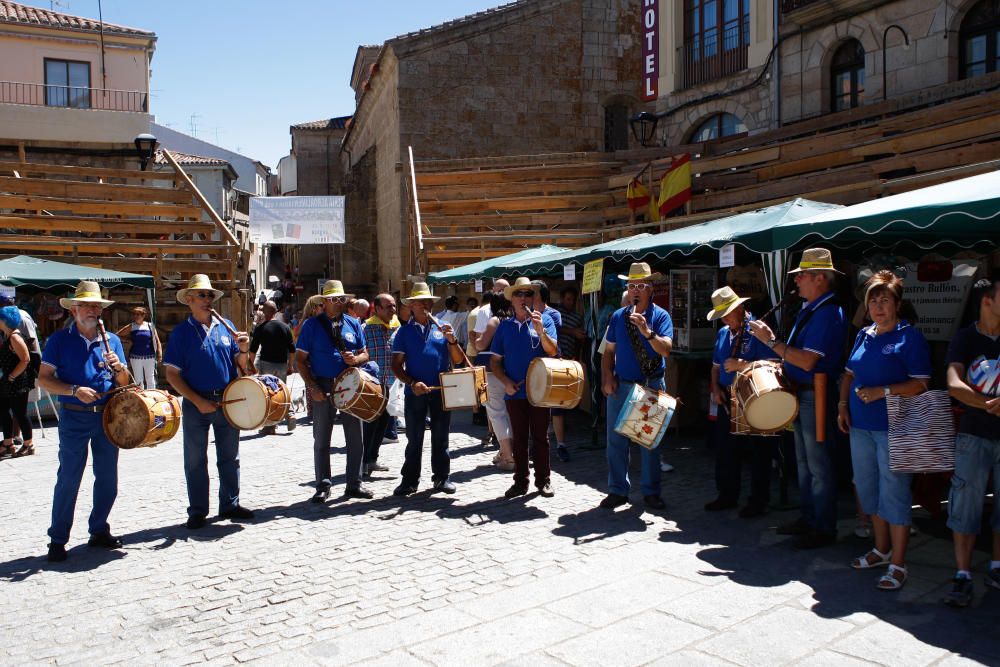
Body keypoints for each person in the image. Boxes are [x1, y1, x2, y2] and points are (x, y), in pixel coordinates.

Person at [835, 271, 930, 591]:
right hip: (860, 425)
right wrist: (842, 407)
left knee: (895, 494)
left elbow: (921, 384)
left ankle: (900, 564)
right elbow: (849, 374)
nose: (878, 306)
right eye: (872, 300)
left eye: (884, 300)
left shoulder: (909, 337)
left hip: (895, 428)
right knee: (868, 489)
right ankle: (881, 548)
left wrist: (883, 391)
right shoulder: (864, 334)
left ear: (897, 305)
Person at [749, 248, 848, 549]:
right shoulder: (813, 309)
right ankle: (809, 519)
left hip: (815, 395)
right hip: (804, 394)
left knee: (817, 465)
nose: (797, 281)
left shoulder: (827, 312)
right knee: (805, 464)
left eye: (802, 275)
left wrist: (770, 341)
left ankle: (822, 526)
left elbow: (807, 361)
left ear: (820, 278)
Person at [37, 281, 130, 561]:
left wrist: (119, 367)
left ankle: (99, 529)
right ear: (74, 309)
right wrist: (74, 390)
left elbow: (124, 382)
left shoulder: (111, 340)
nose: (93, 310)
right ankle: (58, 539)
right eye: (88, 305)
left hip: (106, 416)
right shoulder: (59, 340)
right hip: (74, 417)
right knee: (69, 478)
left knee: (107, 478)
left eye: (97, 305)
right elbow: (43, 379)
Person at [164, 274, 255, 530]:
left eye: (209, 295)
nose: (207, 300)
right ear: (189, 301)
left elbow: (240, 365)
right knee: (194, 460)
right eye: (202, 295)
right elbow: (172, 374)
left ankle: (230, 504)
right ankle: (197, 511)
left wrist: (245, 350)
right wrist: (196, 400)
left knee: (230, 456)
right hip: (196, 402)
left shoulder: (225, 326)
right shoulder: (182, 333)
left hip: (227, 400)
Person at [942, 277, 1000, 607]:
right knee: (965, 506)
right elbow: (953, 382)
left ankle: (996, 566)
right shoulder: (966, 337)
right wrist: (989, 403)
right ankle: (962, 574)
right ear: (987, 302)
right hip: (973, 436)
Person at [601, 263, 673, 510]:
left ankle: (651, 492)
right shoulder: (618, 317)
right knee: (615, 441)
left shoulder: (661, 316)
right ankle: (618, 490)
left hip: (651, 384)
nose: (635, 290)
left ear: (650, 289)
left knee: (649, 442)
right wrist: (607, 377)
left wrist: (646, 331)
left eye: (641, 286)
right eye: (631, 286)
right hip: (622, 385)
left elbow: (666, 349)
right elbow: (608, 352)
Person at [705, 286, 780, 518]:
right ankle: (727, 495)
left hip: (755, 396)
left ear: (740, 308)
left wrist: (742, 366)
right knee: (726, 450)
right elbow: (716, 367)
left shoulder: (758, 330)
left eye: (728, 313)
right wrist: (715, 388)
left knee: (759, 452)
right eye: (722, 315)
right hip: (728, 397)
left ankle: (758, 501)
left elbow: (775, 366)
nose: (726, 319)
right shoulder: (723, 334)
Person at [296, 280, 372, 503]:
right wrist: (312, 387)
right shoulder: (311, 325)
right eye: (334, 299)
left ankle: (354, 484)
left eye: (342, 299)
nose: (339, 303)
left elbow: (365, 353)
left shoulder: (353, 323)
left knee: (355, 438)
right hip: (323, 384)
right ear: (324, 301)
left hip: (349, 384)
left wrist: (356, 359)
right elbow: (300, 361)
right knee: (321, 439)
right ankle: (323, 485)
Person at [391, 283, 464, 496]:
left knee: (441, 437)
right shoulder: (403, 332)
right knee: (414, 438)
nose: (425, 305)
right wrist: (412, 383)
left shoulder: (442, 326)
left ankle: (442, 478)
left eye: (428, 302)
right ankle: (409, 480)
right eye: (420, 302)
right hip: (415, 392)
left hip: (441, 390)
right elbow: (396, 365)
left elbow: (458, 360)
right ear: (411, 306)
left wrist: (452, 340)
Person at [491, 277, 559, 498]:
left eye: (528, 294)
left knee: (541, 437)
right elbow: (495, 362)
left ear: (533, 298)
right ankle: (520, 481)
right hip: (515, 392)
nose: (523, 298)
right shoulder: (504, 327)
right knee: (519, 438)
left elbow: (552, 350)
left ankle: (544, 481)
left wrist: (541, 331)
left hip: (540, 391)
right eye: (518, 294)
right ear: (511, 300)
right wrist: (505, 382)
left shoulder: (545, 320)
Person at [476, 287, 515, 470]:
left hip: (491, 371)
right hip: (510, 370)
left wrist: (475, 340)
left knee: (496, 412)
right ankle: (505, 451)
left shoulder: (494, 321)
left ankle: (508, 456)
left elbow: (481, 344)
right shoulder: (514, 320)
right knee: (508, 413)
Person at [249, 300, 296, 435]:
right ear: (275, 311)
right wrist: (290, 366)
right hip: (281, 365)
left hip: (266, 365)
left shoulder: (261, 328)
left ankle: (270, 426)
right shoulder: (285, 327)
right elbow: (292, 350)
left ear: (264, 312)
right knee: (282, 391)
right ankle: (290, 414)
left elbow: (253, 350)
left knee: (268, 394)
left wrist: (249, 367)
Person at [363, 293, 398, 477]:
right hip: (371, 388)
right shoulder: (366, 329)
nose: (393, 310)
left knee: (383, 425)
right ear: (377, 309)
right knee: (369, 426)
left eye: (394, 306)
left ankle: (372, 460)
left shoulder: (397, 328)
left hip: (391, 387)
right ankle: (362, 462)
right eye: (388, 306)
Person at [553, 285, 586, 462]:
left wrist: (577, 355)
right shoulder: (555, 313)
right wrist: (571, 331)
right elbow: (555, 330)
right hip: (554, 360)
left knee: (562, 399)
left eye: (573, 300)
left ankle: (561, 438)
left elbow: (579, 339)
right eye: (567, 299)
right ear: (561, 299)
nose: (570, 302)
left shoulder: (577, 317)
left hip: (568, 358)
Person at [0, 306, 35, 459]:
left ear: (4, 321)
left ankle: (28, 444)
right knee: (3, 410)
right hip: (9, 381)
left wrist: (12, 376)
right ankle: (8, 443)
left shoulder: (15, 337)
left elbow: (25, 359)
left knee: (20, 413)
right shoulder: (7, 335)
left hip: (18, 382)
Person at [115, 306, 161, 390]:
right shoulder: (131, 326)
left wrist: (159, 353)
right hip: (135, 356)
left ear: (143, 315)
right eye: (134, 314)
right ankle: (141, 397)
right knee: (138, 379)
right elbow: (117, 335)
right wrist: (127, 340)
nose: (136, 316)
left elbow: (157, 340)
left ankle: (152, 397)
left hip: (149, 356)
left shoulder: (150, 326)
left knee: (150, 378)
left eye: (138, 314)